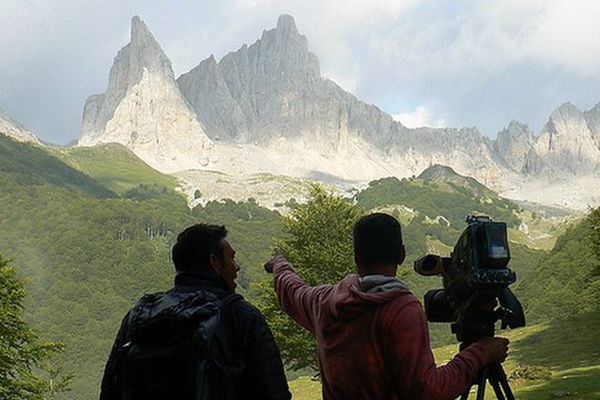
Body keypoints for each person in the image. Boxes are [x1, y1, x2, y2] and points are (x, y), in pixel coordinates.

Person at [264, 213, 509, 400]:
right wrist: (481, 353)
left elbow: (292, 290)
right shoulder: (402, 311)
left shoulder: (324, 302)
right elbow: (428, 392)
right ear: (401, 255)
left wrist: (280, 264)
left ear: (356, 257)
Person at [100, 223, 291, 400]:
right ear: (215, 262)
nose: (237, 267)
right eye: (231, 258)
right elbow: (272, 393)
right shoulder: (239, 316)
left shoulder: (140, 314)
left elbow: (110, 390)